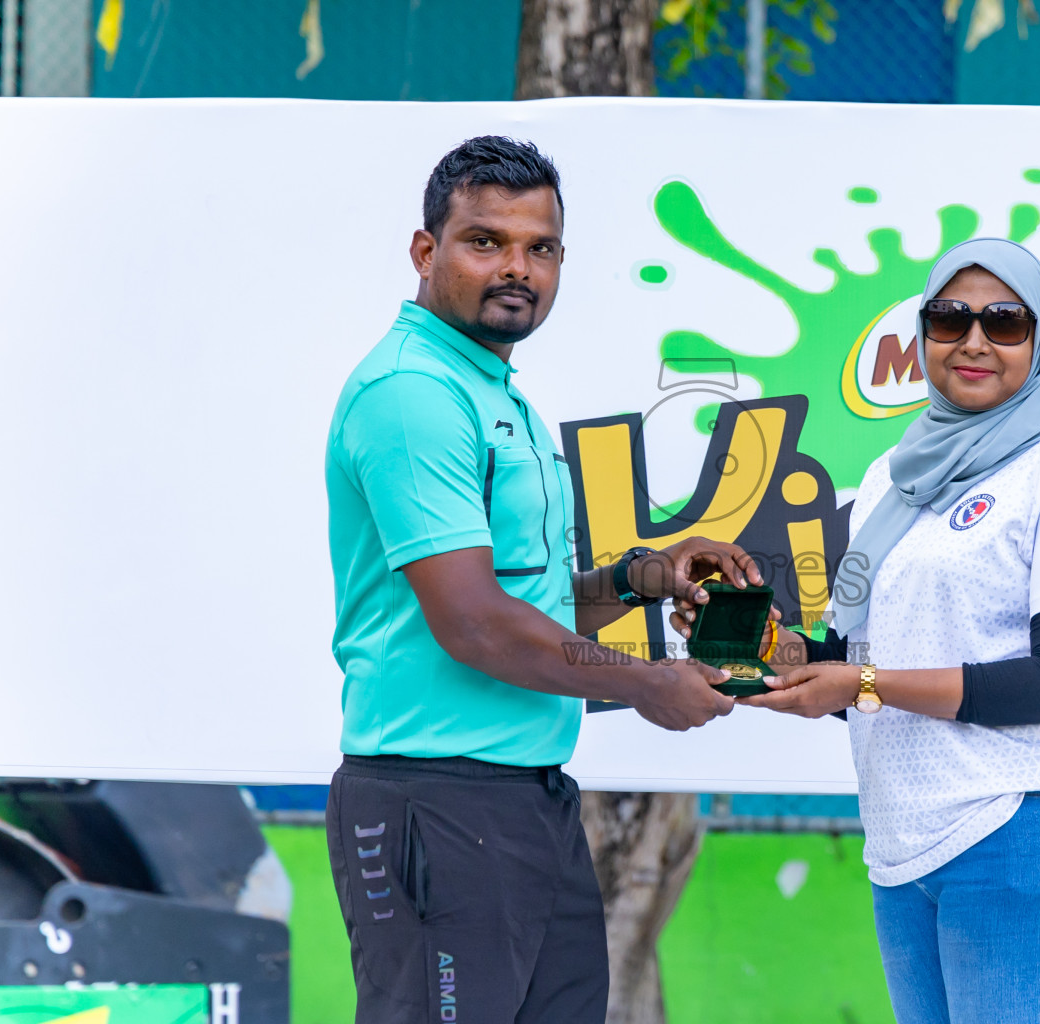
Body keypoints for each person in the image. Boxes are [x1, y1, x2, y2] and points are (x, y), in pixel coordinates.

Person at [324, 136, 762, 1024]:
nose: (516, 268)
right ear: (425, 251)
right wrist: (642, 681)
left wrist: (645, 577)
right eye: (486, 241)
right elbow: (476, 624)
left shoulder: (493, 388)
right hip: (435, 800)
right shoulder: (412, 394)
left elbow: (525, 597)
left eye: (541, 248)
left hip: (524, 799)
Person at [674, 238, 1040, 1023]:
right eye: (949, 318)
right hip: (902, 846)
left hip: (1020, 828)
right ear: (920, 334)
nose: (974, 342)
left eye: (1004, 322)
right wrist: (751, 642)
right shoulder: (893, 477)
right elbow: (847, 657)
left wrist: (862, 686)